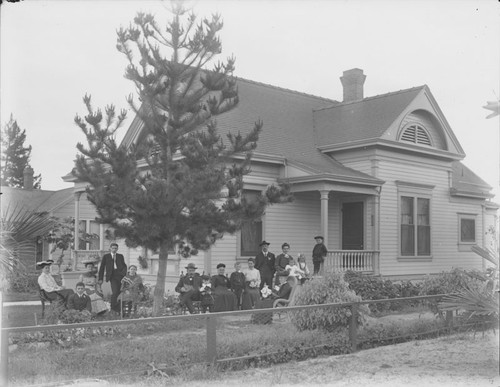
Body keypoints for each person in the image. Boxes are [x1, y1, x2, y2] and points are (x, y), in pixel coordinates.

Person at [98, 243, 127, 313]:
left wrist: (123, 273)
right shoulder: (106, 256)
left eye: (115, 248)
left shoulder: (120, 256)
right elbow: (102, 268)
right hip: (112, 276)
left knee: (120, 291)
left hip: (120, 275)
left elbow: (124, 265)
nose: (114, 250)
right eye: (113, 248)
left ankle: (118, 309)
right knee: (115, 291)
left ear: (117, 249)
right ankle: (113, 308)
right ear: (110, 248)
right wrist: (100, 278)